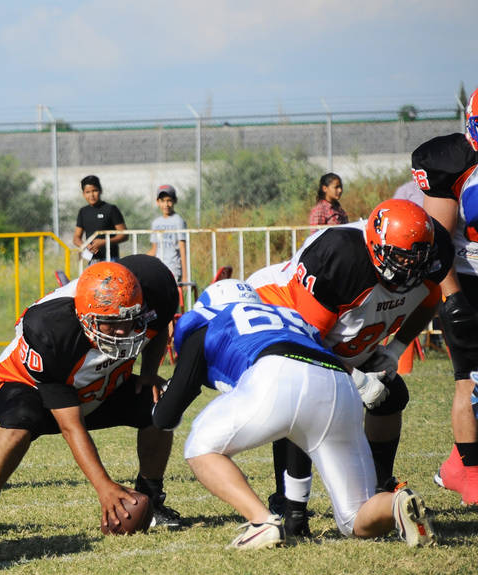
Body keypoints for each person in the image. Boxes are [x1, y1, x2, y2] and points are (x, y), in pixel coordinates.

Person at [151, 279, 436, 549]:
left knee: (200, 447)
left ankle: (262, 521)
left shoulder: (210, 322)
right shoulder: (291, 318)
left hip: (277, 373)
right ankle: (395, 503)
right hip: (339, 383)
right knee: (354, 519)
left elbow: (166, 417)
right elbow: (295, 426)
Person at [248, 199, 452, 536]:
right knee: (304, 402)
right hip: (284, 320)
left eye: (416, 260)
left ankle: (379, 484)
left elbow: (429, 300)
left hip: (343, 333)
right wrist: (356, 378)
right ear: (375, 244)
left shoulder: (431, 255)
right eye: (400, 259)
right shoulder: (340, 258)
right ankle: (291, 508)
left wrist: (397, 348)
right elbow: (308, 343)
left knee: (390, 395)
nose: (408, 269)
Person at [0, 256, 180, 537]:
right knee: (21, 420)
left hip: (99, 382)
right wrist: (104, 487)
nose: (122, 332)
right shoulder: (50, 330)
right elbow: (71, 425)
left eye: (128, 321)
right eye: (110, 324)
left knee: (162, 403)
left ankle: (152, 498)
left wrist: (149, 373)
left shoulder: (152, 288)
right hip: (25, 383)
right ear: (85, 316)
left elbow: (159, 323)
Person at [410, 87, 478, 505]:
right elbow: (437, 243)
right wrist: (452, 300)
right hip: (468, 280)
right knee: (468, 381)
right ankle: (468, 471)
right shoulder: (453, 162)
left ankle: (456, 463)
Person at [72, 175, 128, 264]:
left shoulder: (111, 209)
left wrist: (104, 242)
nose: (91, 195)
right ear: (83, 194)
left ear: (100, 190)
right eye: (88, 192)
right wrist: (85, 245)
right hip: (92, 261)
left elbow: (124, 235)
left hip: (111, 259)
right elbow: (76, 238)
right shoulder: (83, 212)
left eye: (94, 191)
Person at [147, 184, 189, 286]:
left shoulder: (178, 221)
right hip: (158, 267)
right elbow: (154, 249)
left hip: (173, 268)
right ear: (158, 202)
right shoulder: (156, 223)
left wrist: (185, 275)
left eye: (169, 200)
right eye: (162, 201)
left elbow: (182, 249)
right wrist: (139, 259)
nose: (166, 204)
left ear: (175, 201)